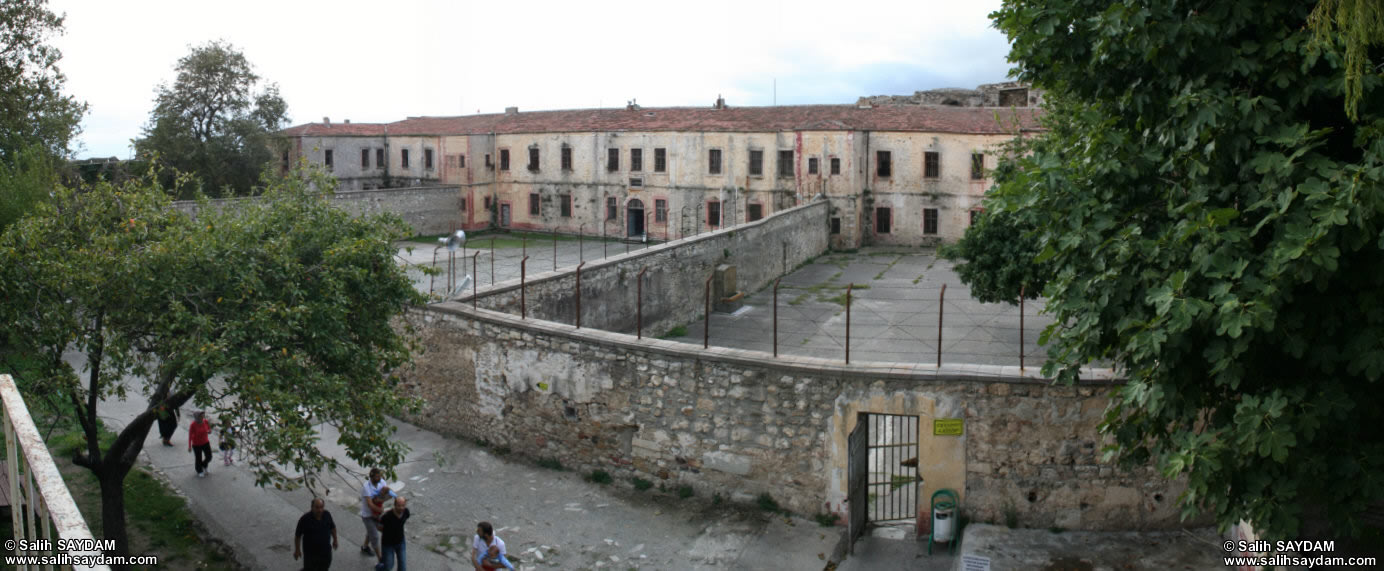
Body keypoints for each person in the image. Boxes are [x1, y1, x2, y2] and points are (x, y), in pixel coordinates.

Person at [359, 468, 395, 560]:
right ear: (371, 477)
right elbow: (370, 504)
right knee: (374, 536)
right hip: (367, 516)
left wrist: (382, 499)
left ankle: (365, 547)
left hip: (377, 514)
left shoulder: (382, 482)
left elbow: (388, 494)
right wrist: (380, 510)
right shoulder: (366, 487)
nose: (379, 478)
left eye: (380, 476)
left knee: (371, 531)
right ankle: (380, 559)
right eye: (377, 476)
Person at [294, 498, 338, 571]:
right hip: (311, 554)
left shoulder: (327, 514)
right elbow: (298, 536)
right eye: (317, 507)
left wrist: (335, 540)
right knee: (309, 569)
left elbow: (332, 527)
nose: (320, 510)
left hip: (325, 552)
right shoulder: (305, 519)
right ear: (312, 507)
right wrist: (297, 550)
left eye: (321, 507)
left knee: (324, 568)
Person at [375, 496, 410, 571]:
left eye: (403, 505)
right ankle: (379, 567)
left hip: (400, 542)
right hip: (388, 544)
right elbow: (379, 527)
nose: (401, 508)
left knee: (402, 567)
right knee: (388, 566)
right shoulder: (387, 516)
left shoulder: (406, 512)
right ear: (395, 505)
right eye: (399, 505)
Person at [187, 411, 213, 477]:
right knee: (198, 458)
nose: (202, 417)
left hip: (205, 442)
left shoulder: (205, 421)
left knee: (209, 456)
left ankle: (204, 465)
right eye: (201, 416)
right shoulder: (193, 425)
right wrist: (189, 446)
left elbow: (209, 428)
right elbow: (190, 436)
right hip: (196, 444)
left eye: (203, 415)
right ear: (197, 417)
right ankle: (199, 470)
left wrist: (209, 431)